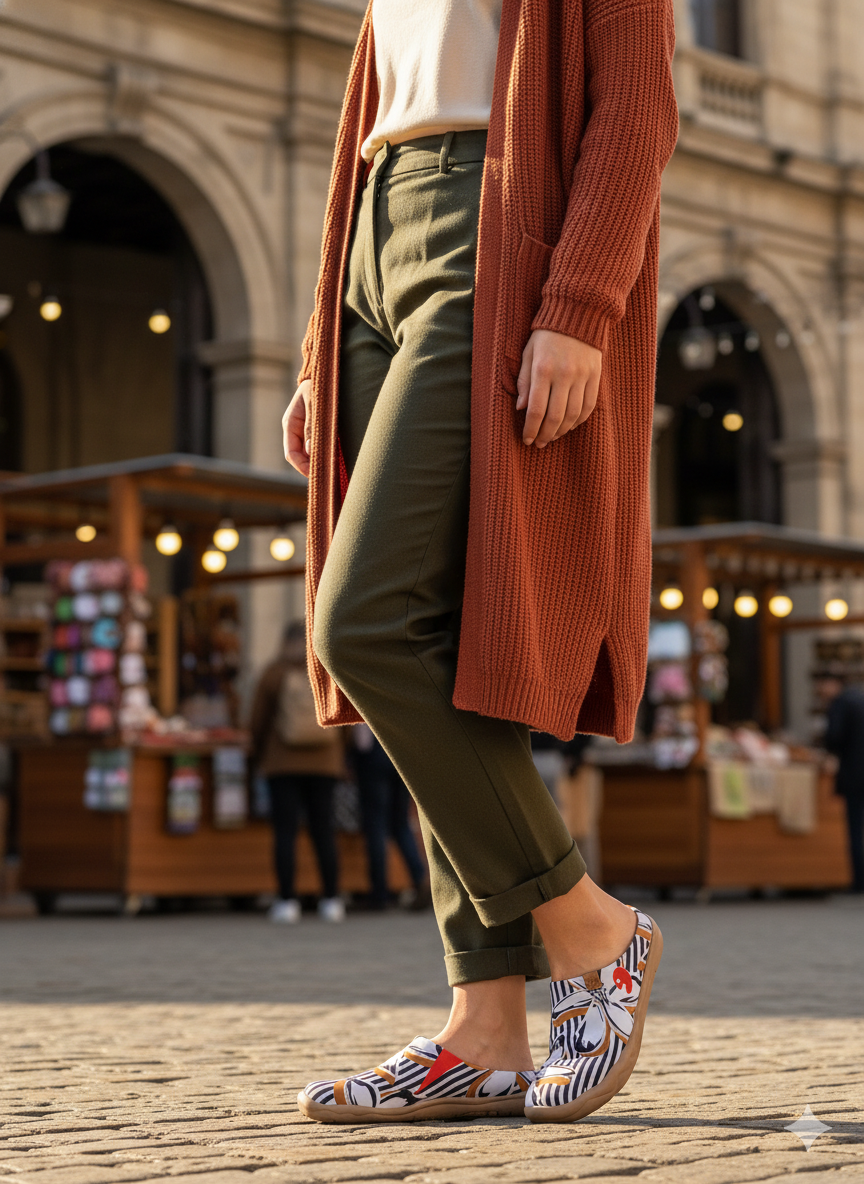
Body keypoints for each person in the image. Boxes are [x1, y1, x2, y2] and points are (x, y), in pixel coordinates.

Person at [284, 0, 678, 1124]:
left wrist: (583, 302)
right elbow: (383, 102)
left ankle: (594, 930)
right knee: (439, 646)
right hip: (375, 231)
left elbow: (639, 105)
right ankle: (488, 1026)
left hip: (491, 223)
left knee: (361, 619)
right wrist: (324, 339)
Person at [250, 622, 345, 923]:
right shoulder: (329, 669)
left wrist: (257, 751)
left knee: (285, 833)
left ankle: (287, 901)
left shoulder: (274, 672)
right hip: (325, 764)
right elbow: (348, 717)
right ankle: (331, 900)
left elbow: (257, 720)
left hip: (283, 764)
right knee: (323, 831)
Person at [351, 723, 431, 910]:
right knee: (400, 823)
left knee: (376, 825)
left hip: (373, 759)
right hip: (400, 756)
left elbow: (361, 739)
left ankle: (379, 894)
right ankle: (420, 878)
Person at [820, 676, 864, 894]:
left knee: (856, 828)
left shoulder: (841, 703)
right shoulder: (860, 699)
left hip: (854, 775)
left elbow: (834, 737)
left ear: (834, 683)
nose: (821, 689)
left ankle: (859, 881)